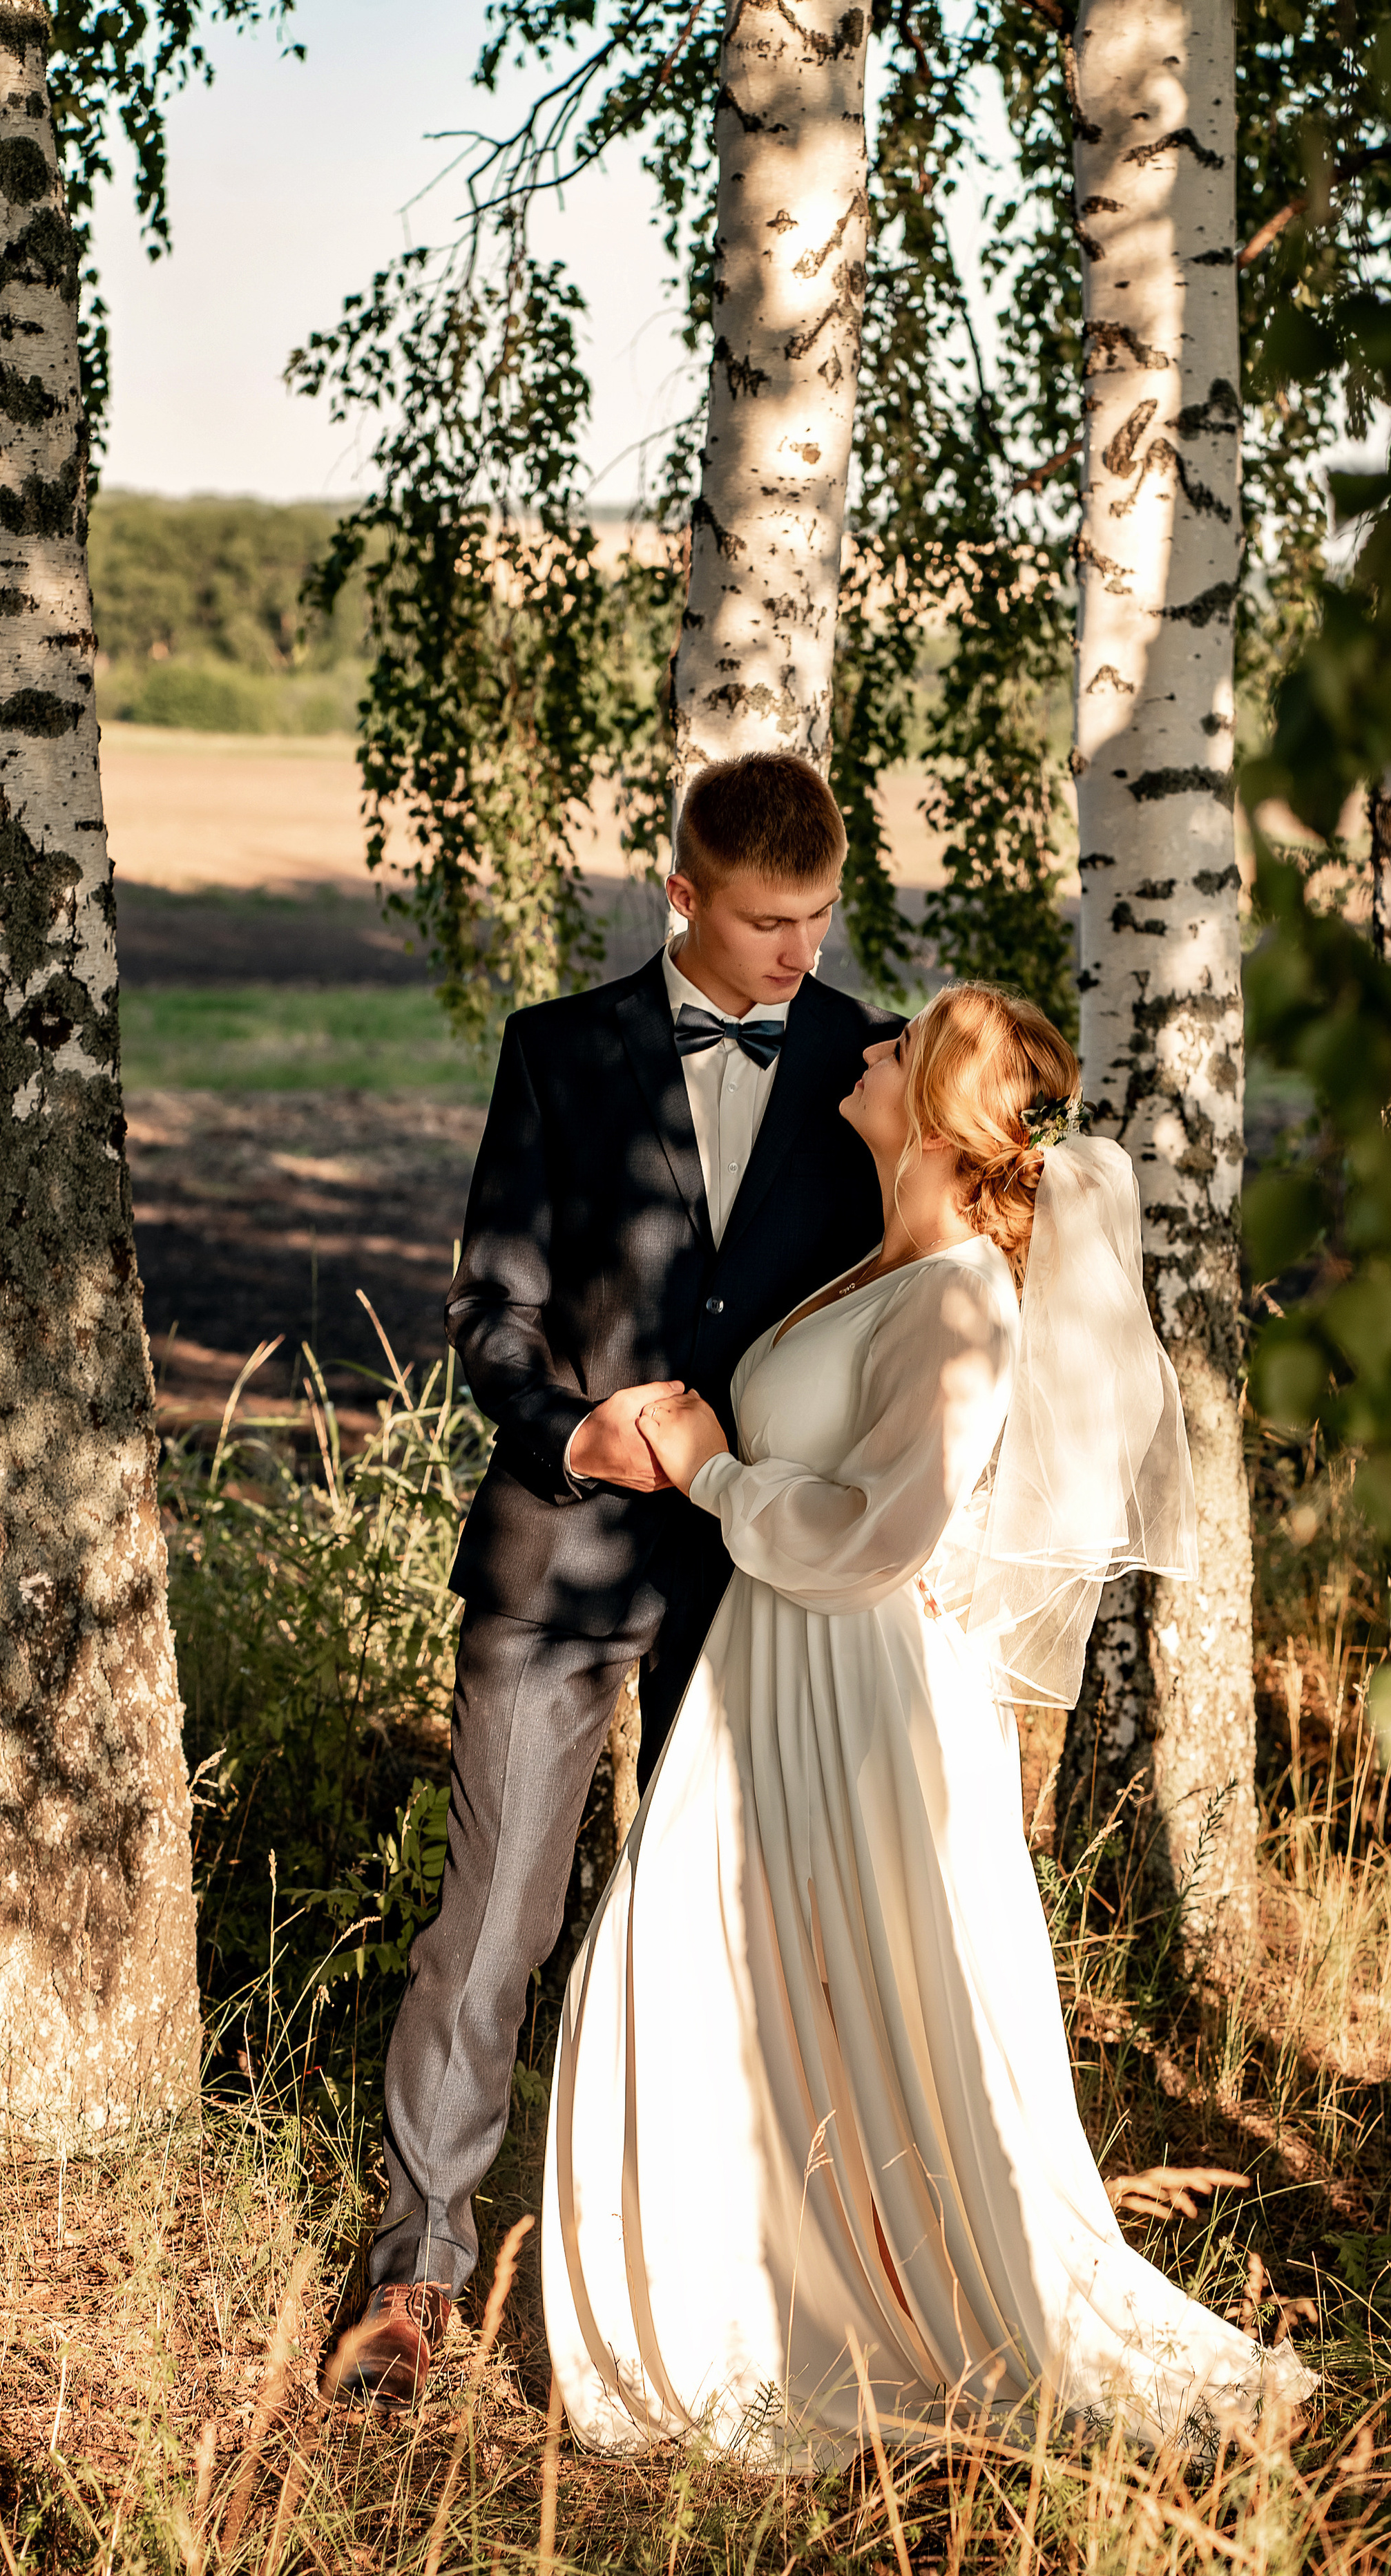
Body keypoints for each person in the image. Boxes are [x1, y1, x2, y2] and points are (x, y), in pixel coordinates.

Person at [542, 983, 1316, 2465]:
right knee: (706, 1988)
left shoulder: (959, 1291)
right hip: (777, 1675)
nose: (867, 1051)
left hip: (857, 1691)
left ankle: (872, 2311)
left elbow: (883, 1534)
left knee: (846, 1998)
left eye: (897, 1047)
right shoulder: (876, 1263)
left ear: (941, 1103)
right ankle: (761, 2287)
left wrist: (709, 1477)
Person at [323, 752, 897, 2403]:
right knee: (495, 1917)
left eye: (814, 918)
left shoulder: (871, 1063)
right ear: (679, 893)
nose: (796, 953)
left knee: (756, 1924)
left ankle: (731, 2279)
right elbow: (490, 1311)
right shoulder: (556, 1053)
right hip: (558, 1550)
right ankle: (415, 2278)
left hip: (770, 1568)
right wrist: (579, 1436)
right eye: (762, 921)